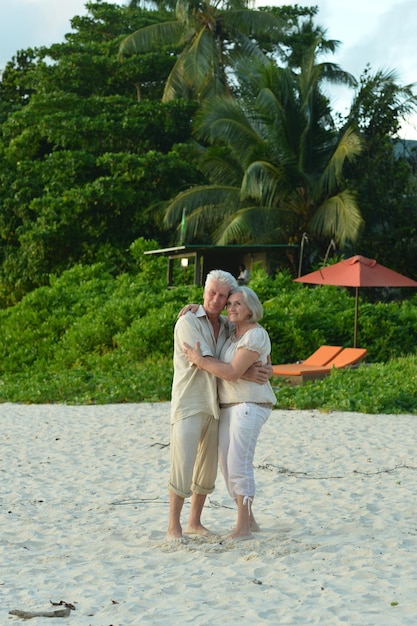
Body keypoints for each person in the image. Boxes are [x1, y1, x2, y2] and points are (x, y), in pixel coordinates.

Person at [167, 270, 272, 543]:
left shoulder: (228, 325)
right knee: (184, 465)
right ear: (204, 292)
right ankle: (173, 528)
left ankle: (196, 522)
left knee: (210, 468)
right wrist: (241, 372)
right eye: (211, 293)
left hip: (220, 404)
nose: (217, 299)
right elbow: (213, 362)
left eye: (222, 296)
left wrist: (243, 371)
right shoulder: (189, 322)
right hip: (191, 401)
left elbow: (234, 362)